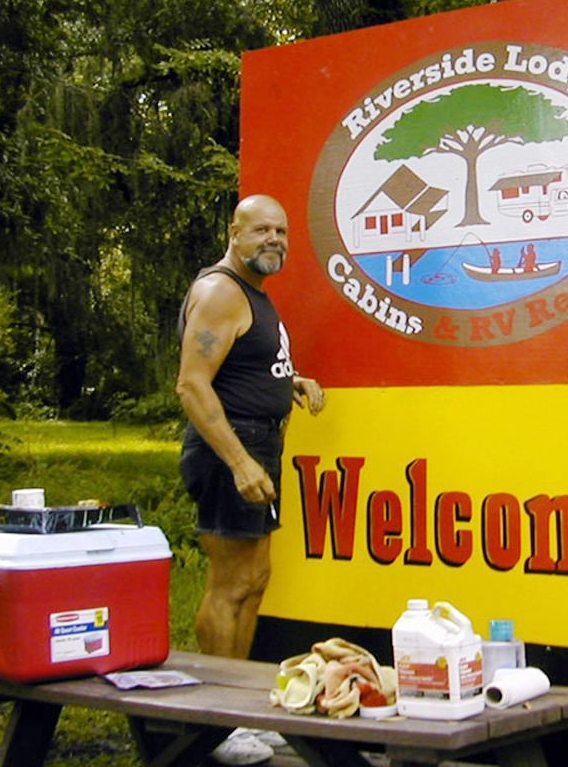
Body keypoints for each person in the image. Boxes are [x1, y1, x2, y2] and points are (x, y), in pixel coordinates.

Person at [176, 194, 325, 765]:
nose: (274, 239)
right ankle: (214, 722)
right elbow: (193, 385)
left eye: (282, 231)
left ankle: (239, 709)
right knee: (229, 584)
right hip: (228, 451)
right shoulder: (220, 292)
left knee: (255, 579)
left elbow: (240, 367)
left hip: (256, 442)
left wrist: (288, 381)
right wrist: (239, 462)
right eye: (261, 229)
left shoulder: (252, 294)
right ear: (233, 233)